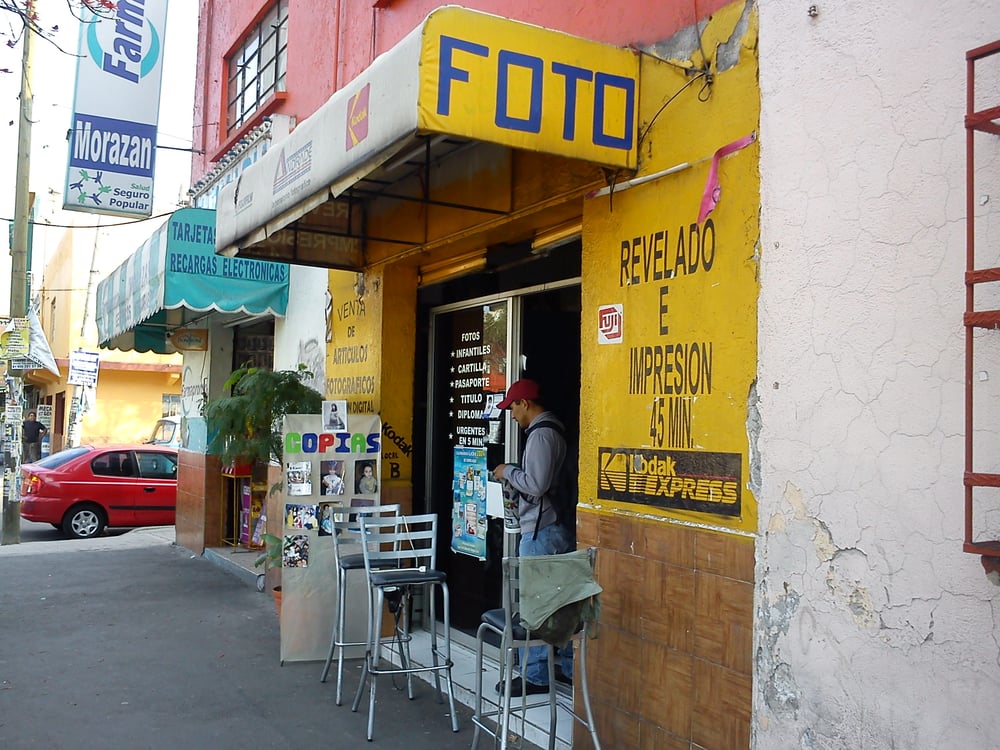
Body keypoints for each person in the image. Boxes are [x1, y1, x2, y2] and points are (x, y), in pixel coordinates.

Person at [491, 378, 574, 696]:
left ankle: (536, 675)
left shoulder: (541, 435)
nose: (511, 414)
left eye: (512, 407)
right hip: (557, 527)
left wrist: (507, 471)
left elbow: (536, 485)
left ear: (525, 403)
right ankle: (566, 668)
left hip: (542, 530)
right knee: (560, 602)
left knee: (536, 604)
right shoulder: (555, 431)